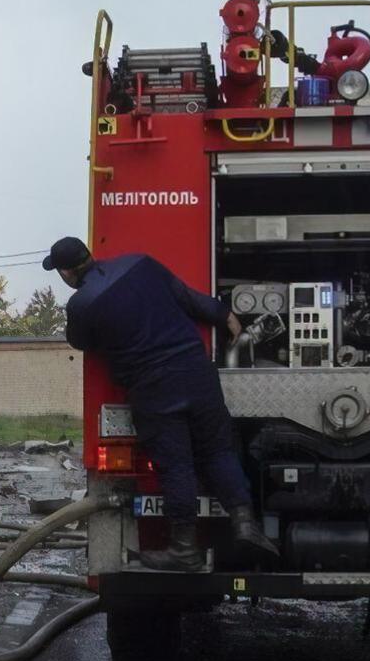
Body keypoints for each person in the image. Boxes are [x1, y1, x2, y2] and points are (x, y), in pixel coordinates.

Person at [45, 235, 277, 572]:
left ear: (66, 274)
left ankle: (185, 550)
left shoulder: (83, 304)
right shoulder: (141, 262)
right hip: (197, 372)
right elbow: (186, 297)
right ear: (89, 254)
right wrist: (223, 314)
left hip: (153, 389)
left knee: (177, 466)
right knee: (217, 451)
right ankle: (245, 524)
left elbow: (80, 341)